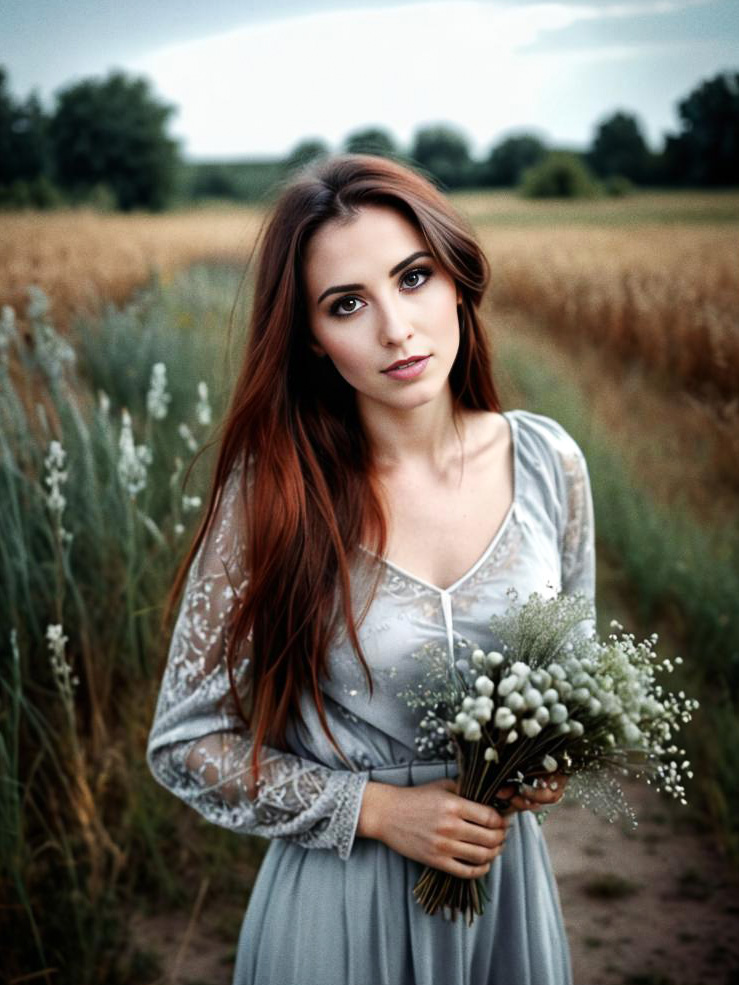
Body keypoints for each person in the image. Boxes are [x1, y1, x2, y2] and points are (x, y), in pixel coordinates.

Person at [146, 152, 596, 985]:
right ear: (312, 340)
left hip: (504, 901)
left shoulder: (548, 462)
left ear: (457, 277)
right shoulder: (275, 495)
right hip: (340, 912)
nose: (396, 328)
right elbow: (184, 742)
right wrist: (378, 810)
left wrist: (547, 758)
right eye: (347, 304)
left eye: (414, 277)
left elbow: (576, 673)